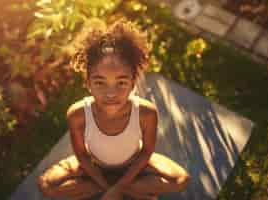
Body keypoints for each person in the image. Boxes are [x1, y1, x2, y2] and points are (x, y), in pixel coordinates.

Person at [37, 20, 191, 200]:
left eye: (121, 83)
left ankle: (116, 186)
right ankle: (128, 189)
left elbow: (146, 152)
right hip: (95, 165)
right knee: (46, 185)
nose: (111, 93)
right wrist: (109, 188)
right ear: (88, 83)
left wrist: (119, 186)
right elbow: (82, 155)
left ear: (133, 83)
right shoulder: (77, 114)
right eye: (100, 82)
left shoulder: (146, 112)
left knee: (181, 180)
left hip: (134, 163)